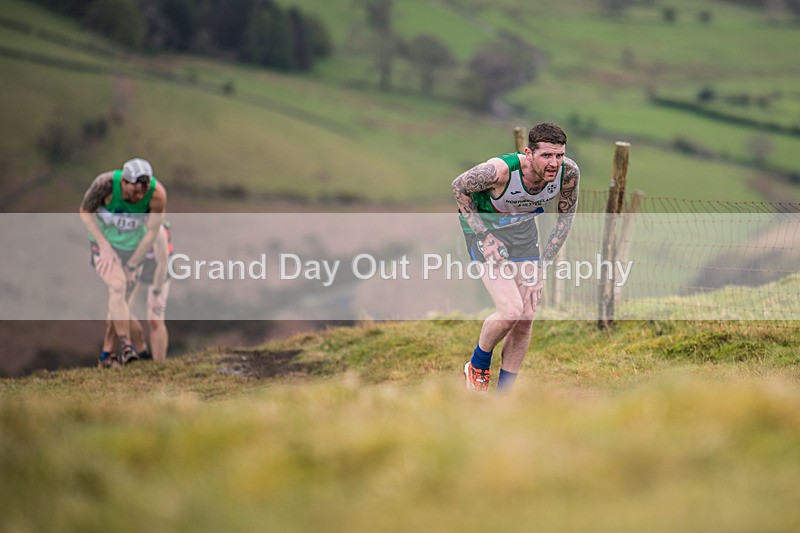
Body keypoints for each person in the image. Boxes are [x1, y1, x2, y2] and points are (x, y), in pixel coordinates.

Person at [452, 122, 580, 393]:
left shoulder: (568, 173)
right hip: (485, 231)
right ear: (528, 153)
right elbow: (458, 187)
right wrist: (484, 236)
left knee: (527, 315)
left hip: (522, 233)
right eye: (546, 155)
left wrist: (541, 269)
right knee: (511, 311)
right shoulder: (499, 171)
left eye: (559, 155)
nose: (554, 163)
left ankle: (505, 394)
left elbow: (565, 221)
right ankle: (477, 365)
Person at [79, 157, 168, 367]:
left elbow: (152, 233)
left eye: (143, 192)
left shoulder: (157, 195)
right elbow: (85, 212)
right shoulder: (105, 184)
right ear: (124, 183)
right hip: (105, 245)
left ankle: (109, 356)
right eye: (135, 191)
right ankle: (128, 348)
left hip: (133, 250)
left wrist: (132, 264)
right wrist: (104, 246)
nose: (139, 196)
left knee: (120, 304)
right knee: (117, 287)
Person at [101, 222, 173, 363]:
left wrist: (157, 293)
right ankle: (141, 352)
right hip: (135, 267)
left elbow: (162, 263)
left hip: (158, 268)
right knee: (120, 311)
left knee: (155, 318)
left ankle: (159, 364)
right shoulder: (125, 229)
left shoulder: (157, 229)